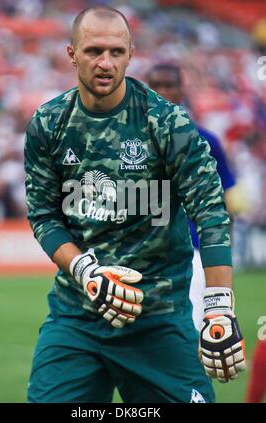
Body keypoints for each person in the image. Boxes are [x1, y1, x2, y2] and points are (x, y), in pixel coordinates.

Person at [24, 6, 246, 403]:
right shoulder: (49, 123)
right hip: (77, 317)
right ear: (72, 53)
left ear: (131, 53)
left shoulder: (168, 123)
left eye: (116, 51)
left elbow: (211, 213)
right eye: (93, 51)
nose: (105, 63)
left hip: (158, 319)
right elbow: (43, 215)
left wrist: (218, 307)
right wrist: (86, 272)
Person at [146, 63, 239, 331]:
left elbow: (226, 196)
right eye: (156, 85)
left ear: (181, 89)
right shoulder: (129, 141)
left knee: (193, 330)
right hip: (144, 252)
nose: (162, 92)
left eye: (169, 85)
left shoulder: (204, 140)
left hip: (193, 249)